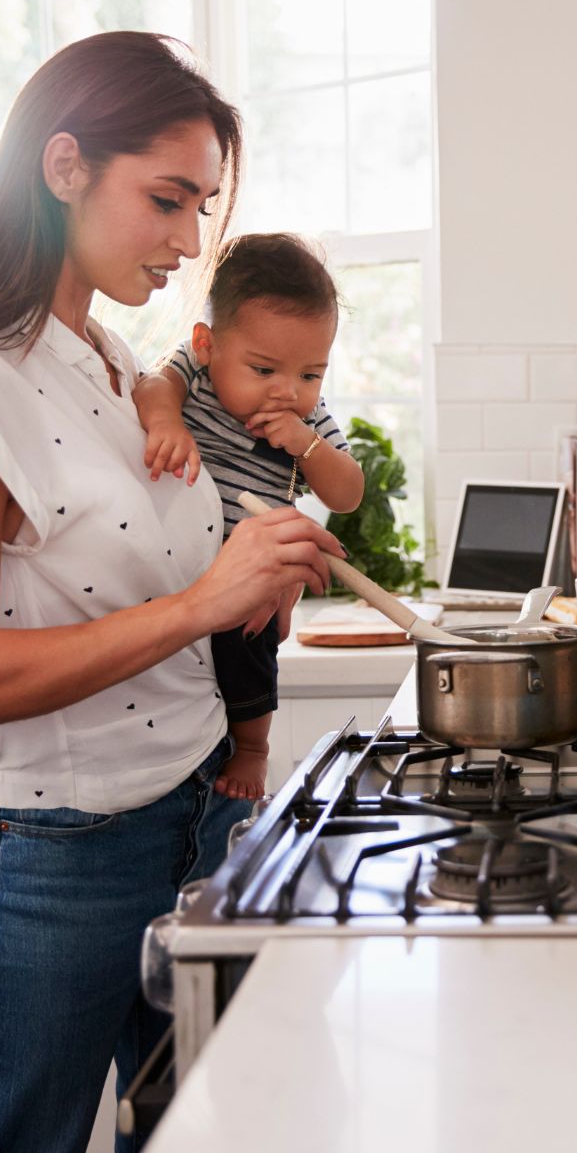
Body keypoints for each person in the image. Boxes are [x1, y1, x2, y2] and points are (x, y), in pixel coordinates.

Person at [0, 32, 346, 1153]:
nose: (187, 243)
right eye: (165, 200)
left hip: (196, 819)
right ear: (64, 165)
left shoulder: (114, 361)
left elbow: (163, 566)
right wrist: (202, 601)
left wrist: (259, 566)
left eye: (201, 206)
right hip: (54, 862)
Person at [131, 232, 365, 798]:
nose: (288, 391)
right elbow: (153, 385)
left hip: (252, 574)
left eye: (310, 375)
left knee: (248, 653)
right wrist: (166, 423)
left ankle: (254, 747)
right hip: (180, 572)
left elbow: (348, 492)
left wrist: (305, 446)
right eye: (264, 370)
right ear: (207, 344)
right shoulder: (194, 374)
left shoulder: (307, 425)